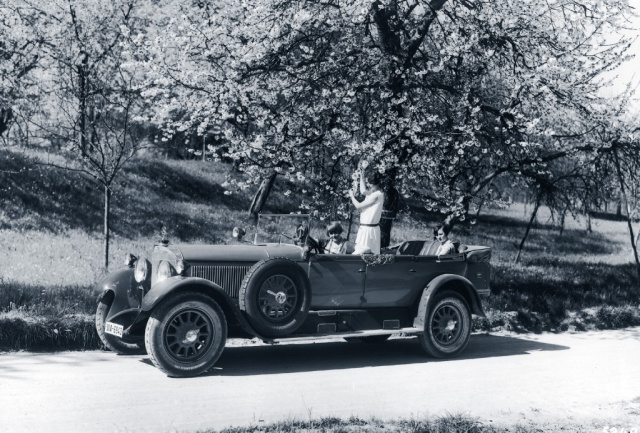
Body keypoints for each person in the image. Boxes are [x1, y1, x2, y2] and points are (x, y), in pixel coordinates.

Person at [348, 166, 384, 255]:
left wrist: (352, 196)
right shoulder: (374, 193)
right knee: (362, 253)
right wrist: (362, 176)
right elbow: (363, 191)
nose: (367, 185)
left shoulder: (376, 195)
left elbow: (359, 206)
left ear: (372, 184)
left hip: (369, 230)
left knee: (365, 253)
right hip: (365, 229)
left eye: (368, 183)